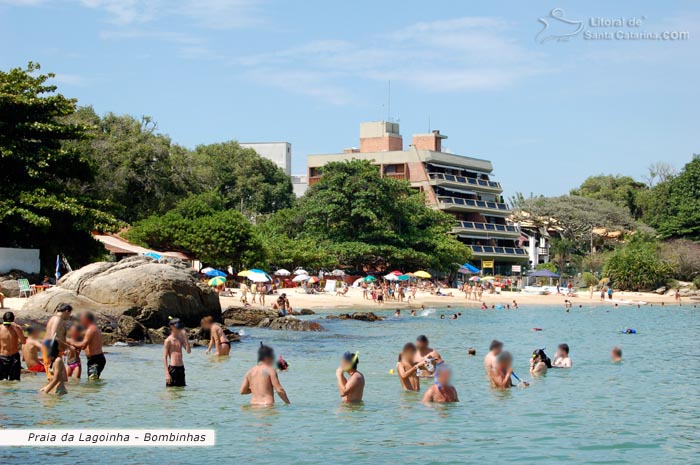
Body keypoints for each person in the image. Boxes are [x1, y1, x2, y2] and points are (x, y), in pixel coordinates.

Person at [73, 312, 105, 380]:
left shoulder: (91, 329)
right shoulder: (92, 329)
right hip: (94, 359)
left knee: (92, 382)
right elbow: (84, 347)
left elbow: (83, 344)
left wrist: (70, 342)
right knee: (92, 381)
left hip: (95, 360)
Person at [163, 318, 190, 387]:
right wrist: (167, 373)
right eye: (178, 327)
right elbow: (164, 357)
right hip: (173, 369)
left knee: (181, 391)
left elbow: (188, 351)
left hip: (181, 368)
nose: (179, 329)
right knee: (171, 391)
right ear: (172, 327)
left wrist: (185, 337)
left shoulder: (181, 339)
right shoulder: (168, 340)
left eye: (180, 327)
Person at [0, 312, 25, 381]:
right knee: (2, 380)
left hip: (14, 357)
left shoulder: (17, 328)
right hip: (2, 357)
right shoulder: (0, 328)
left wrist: (16, 329)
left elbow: (23, 342)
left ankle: (13, 392)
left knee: (15, 380)